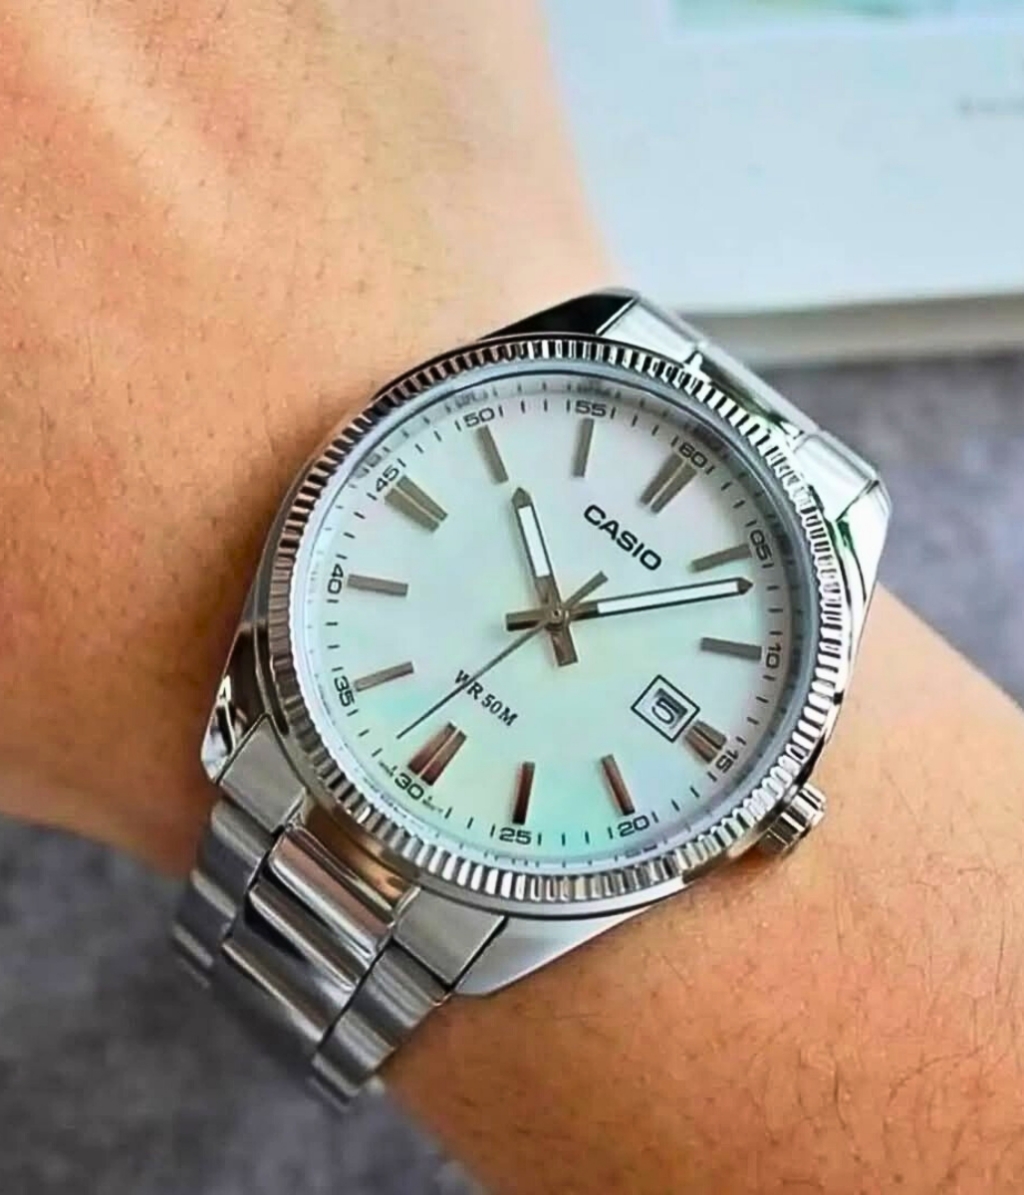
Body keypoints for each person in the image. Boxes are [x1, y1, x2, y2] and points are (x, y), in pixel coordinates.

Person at [2, 2, 1023, 1190]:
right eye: (560, 605)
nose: (557, 617)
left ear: (766, 804)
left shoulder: (711, 781)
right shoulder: (568, 376)